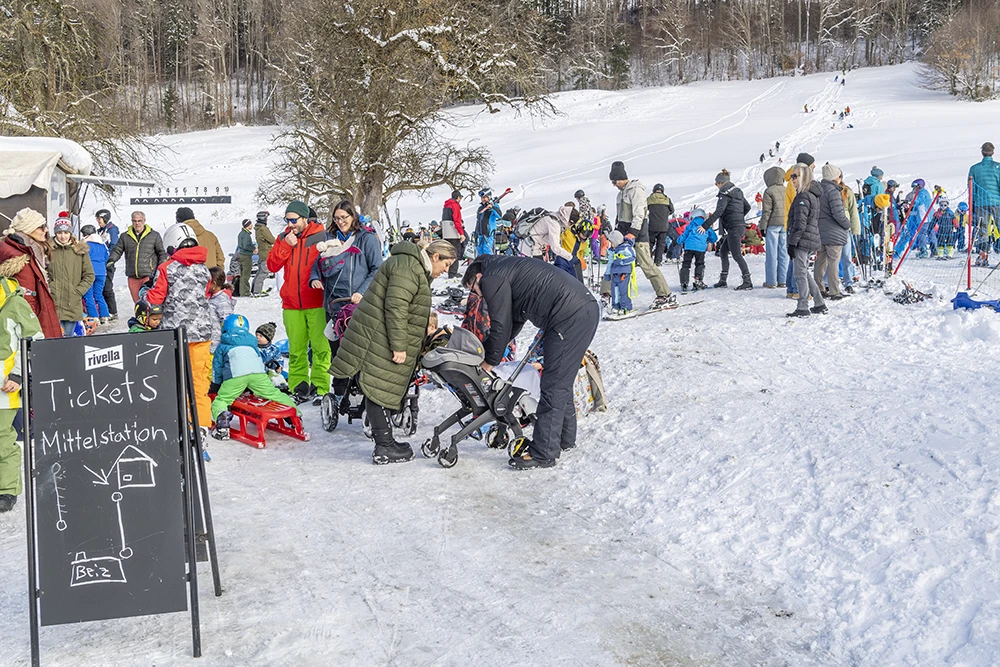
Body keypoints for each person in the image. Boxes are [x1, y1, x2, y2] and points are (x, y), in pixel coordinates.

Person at [462, 254, 600, 470]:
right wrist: (488, 351)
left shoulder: (491, 278)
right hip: (580, 309)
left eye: (474, 289)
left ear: (478, 277)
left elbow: (499, 324)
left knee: (553, 384)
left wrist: (489, 362)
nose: (477, 295)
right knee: (560, 380)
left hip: (569, 314)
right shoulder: (503, 270)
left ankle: (544, 452)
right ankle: (564, 438)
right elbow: (510, 324)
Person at [329, 240, 457, 465]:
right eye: (446, 264)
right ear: (435, 256)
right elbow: (396, 308)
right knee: (379, 386)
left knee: (380, 386)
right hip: (380, 337)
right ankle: (385, 446)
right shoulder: (408, 267)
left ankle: (386, 442)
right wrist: (399, 346)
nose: (447, 270)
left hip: (380, 334)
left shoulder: (412, 266)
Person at [145, 222, 216, 432]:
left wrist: (147, 306)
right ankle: (201, 422)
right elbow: (206, 295)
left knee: (175, 378)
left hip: (175, 334)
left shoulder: (167, 268)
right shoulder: (204, 269)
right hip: (202, 333)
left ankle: (177, 421)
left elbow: (156, 298)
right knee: (199, 381)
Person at [310, 200, 383, 398]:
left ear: (353, 217)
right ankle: (341, 390)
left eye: (345, 217)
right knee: (338, 351)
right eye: (337, 218)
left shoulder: (365, 239)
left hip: (358, 303)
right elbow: (317, 264)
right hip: (334, 303)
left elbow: (377, 268)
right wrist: (315, 278)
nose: (341, 222)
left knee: (358, 348)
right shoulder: (329, 238)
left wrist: (362, 291)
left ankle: (363, 386)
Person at [266, 201, 330, 405]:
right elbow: (272, 265)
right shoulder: (284, 238)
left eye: (294, 220)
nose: (290, 224)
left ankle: (320, 388)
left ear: (305, 218)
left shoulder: (322, 236)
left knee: (321, 349)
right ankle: (298, 386)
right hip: (292, 303)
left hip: (317, 302)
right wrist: (286, 245)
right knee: (296, 349)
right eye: (288, 220)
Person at [208, 314, 299, 440]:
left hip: (236, 376)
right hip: (258, 374)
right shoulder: (252, 344)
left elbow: (217, 368)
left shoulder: (223, 345)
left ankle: (223, 426)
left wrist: (215, 385)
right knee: (274, 394)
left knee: (222, 400)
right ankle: (296, 416)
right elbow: (259, 361)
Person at [0, 278, 43, 512]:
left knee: (3, 437)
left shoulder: (14, 303)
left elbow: (34, 341)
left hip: (5, 384)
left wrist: (17, 375)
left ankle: (6, 489)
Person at [607, 161, 674, 309]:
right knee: (614, 264)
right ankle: (608, 295)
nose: (613, 184)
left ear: (621, 178)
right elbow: (620, 217)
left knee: (647, 265)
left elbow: (639, 214)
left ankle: (664, 295)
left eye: (614, 181)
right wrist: (616, 232)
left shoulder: (636, 190)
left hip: (637, 236)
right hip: (622, 236)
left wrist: (633, 233)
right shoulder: (620, 194)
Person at [0, 209, 61, 338]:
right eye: (42, 227)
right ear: (28, 228)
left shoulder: (28, 249)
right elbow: (27, 301)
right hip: (34, 325)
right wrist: (34, 333)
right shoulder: (22, 259)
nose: (46, 230)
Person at [701, 169, 753, 290]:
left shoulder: (724, 194)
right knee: (723, 251)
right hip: (738, 226)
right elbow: (748, 207)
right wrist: (739, 216)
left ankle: (747, 281)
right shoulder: (738, 192)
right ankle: (723, 280)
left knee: (737, 255)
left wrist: (705, 226)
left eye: (716, 183)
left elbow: (719, 212)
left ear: (720, 183)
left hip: (734, 227)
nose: (716, 186)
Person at [786, 165, 827, 317]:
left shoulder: (803, 197)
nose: (792, 180)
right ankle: (819, 302)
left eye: (795, 176)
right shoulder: (809, 194)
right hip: (808, 238)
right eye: (791, 176)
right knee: (803, 271)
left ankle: (803, 306)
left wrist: (792, 242)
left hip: (802, 240)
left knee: (799, 274)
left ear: (804, 177)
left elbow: (800, 224)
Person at [107, 210, 168, 304]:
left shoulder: (154, 235)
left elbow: (162, 253)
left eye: (139, 221)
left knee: (149, 302)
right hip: (133, 276)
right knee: (138, 303)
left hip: (148, 276)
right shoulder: (125, 236)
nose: (137, 223)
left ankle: (150, 319)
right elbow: (117, 250)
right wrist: (111, 260)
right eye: (134, 221)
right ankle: (139, 318)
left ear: (144, 221)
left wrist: (161, 268)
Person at [48, 215, 95, 337]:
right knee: (53, 338)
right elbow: (44, 272)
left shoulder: (80, 251)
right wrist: (50, 287)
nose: (63, 236)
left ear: (70, 233)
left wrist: (78, 291)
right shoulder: (49, 250)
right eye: (59, 233)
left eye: (65, 232)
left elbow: (89, 275)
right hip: (54, 301)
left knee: (68, 339)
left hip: (72, 302)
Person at [815, 164, 852, 300]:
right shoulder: (833, 192)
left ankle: (819, 288)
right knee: (833, 262)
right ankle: (834, 291)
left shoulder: (818, 190)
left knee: (820, 261)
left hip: (821, 231)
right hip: (834, 233)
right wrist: (847, 224)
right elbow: (838, 214)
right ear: (835, 177)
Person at [969, 142, 1000, 263]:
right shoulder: (998, 167)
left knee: (982, 230)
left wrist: (972, 206)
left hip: (980, 203)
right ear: (993, 152)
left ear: (982, 152)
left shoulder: (974, 168)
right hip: (997, 202)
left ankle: (983, 256)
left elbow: (972, 189)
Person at [676, 208, 716, 292]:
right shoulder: (706, 225)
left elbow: (684, 236)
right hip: (700, 248)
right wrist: (709, 240)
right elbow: (714, 238)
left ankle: (684, 282)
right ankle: (698, 280)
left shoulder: (690, 225)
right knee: (699, 263)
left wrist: (678, 241)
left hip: (689, 247)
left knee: (686, 264)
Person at [760, 166, 788, 288]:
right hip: (785, 224)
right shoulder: (787, 190)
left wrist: (762, 226)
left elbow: (767, 211)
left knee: (771, 253)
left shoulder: (769, 191)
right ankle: (783, 280)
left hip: (772, 225)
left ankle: (771, 282)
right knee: (783, 253)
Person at [80, 224, 110, 322]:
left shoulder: (85, 244)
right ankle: (104, 316)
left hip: (89, 273)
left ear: (85, 234)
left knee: (88, 295)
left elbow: (81, 259)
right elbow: (106, 257)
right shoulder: (102, 244)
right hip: (102, 273)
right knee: (99, 294)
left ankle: (94, 317)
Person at [604, 230, 636, 317]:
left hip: (624, 273)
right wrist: (607, 274)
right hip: (615, 274)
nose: (611, 244)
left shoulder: (626, 248)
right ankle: (616, 306)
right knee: (615, 290)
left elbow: (632, 257)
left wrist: (622, 261)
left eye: (612, 242)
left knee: (623, 290)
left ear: (617, 241)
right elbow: (610, 263)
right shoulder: (611, 251)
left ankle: (626, 306)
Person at [96, 209, 120, 321]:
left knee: (107, 287)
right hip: (100, 262)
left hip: (107, 262)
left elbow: (113, 244)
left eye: (99, 218)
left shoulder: (111, 230)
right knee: (101, 287)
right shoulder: (100, 231)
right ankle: (104, 310)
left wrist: (108, 258)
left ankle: (112, 311)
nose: (98, 221)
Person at [839, 176, 861, 292]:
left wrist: (855, 229)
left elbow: (853, 211)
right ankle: (828, 281)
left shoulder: (847, 192)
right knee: (832, 257)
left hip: (845, 228)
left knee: (846, 256)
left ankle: (848, 281)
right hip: (834, 229)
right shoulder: (827, 190)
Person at [207, 267, 235, 352]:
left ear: (214, 284)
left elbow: (227, 321)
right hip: (210, 342)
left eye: (207, 282)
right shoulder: (210, 297)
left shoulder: (222, 300)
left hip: (216, 345)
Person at [647, 183, 675, 266]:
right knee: (661, 244)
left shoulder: (650, 199)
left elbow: (644, 208)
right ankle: (658, 261)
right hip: (663, 226)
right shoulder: (667, 199)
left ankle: (648, 260)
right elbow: (672, 210)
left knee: (650, 243)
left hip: (652, 225)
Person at [441, 190, 467, 278]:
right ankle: (453, 273)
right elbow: (457, 220)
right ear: (458, 197)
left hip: (446, 232)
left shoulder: (446, 206)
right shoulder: (455, 205)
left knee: (449, 252)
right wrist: (461, 233)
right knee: (455, 252)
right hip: (453, 233)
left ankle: (448, 270)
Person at [252, 211, 275, 294]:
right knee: (263, 273)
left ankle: (254, 289)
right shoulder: (263, 229)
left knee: (260, 272)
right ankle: (257, 291)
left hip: (262, 253)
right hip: (266, 253)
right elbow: (272, 240)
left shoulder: (258, 228)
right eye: (266, 218)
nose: (267, 220)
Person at [475, 189, 501, 256]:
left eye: (484, 197)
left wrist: (493, 207)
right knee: (479, 252)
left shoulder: (494, 206)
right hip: (480, 234)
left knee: (488, 252)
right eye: (482, 198)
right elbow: (478, 221)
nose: (483, 199)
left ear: (489, 197)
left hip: (489, 234)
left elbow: (499, 215)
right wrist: (476, 232)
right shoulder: (480, 208)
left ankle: (489, 265)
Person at [236, 218, 256, 297]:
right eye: (250, 224)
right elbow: (246, 245)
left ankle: (243, 291)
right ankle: (245, 292)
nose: (252, 225)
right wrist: (253, 249)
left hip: (242, 255)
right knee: (246, 274)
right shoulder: (246, 235)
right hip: (246, 255)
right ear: (247, 225)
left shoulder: (241, 233)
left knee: (243, 273)